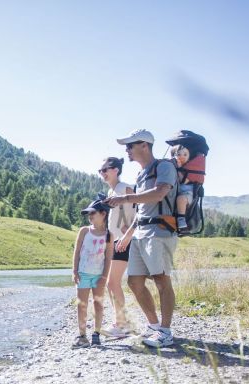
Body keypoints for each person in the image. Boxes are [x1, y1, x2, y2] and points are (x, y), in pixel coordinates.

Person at [106, 129, 178, 348]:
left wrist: (125, 198)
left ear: (144, 146)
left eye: (130, 146)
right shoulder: (141, 174)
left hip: (160, 231)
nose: (127, 150)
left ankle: (166, 332)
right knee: (134, 281)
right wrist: (128, 235)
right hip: (140, 233)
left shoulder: (163, 167)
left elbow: (159, 193)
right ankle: (154, 326)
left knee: (161, 279)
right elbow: (140, 211)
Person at [98, 156, 135, 338]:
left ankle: (121, 325)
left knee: (113, 282)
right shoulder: (111, 191)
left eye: (105, 170)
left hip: (124, 241)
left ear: (116, 170)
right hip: (114, 241)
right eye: (100, 171)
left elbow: (139, 212)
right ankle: (120, 322)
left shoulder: (125, 188)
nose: (102, 173)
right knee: (109, 283)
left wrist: (129, 232)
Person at [71, 197, 114, 348]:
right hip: (83, 273)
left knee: (98, 303)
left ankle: (96, 333)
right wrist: (74, 271)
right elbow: (77, 252)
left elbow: (108, 258)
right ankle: (82, 335)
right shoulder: (84, 231)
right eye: (88, 214)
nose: (90, 216)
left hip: (98, 276)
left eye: (93, 213)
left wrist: (104, 276)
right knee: (81, 304)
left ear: (103, 214)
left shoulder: (109, 235)